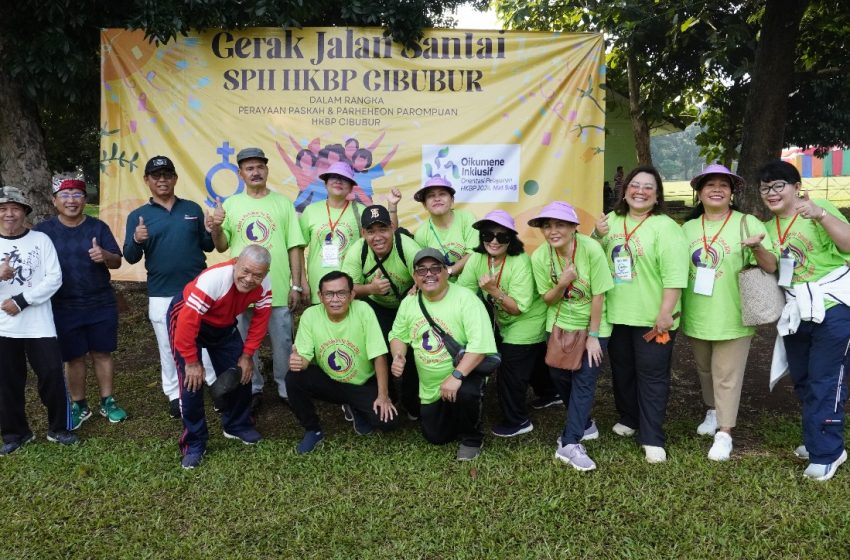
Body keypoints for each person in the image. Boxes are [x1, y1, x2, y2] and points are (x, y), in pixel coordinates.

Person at [759, 159, 850, 481]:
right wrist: (757, 246)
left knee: (826, 380)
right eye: (765, 188)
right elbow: (772, 268)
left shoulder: (819, 208)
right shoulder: (769, 228)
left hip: (833, 307)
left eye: (778, 185)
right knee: (803, 378)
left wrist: (822, 216)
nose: (771, 193)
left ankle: (828, 452)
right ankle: (816, 439)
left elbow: (848, 244)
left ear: (797, 187)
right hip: (797, 309)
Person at [680, 164, 777, 461]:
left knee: (727, 375)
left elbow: (771, 266)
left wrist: (757, 249)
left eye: (724, 184)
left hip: (733, 314)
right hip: (696, 313)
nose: (717, 189)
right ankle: (712, 410)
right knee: (705, 370)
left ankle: (725, 432)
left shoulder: (747, 223)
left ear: (732, 192)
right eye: (710, 185)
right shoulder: (687, 228)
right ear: (699, 193)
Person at [593, 165, 688, 463]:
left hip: (653, 318)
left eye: (648, 187)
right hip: (617, 314)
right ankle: (630, 418)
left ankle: (652, 436)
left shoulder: (666, 228)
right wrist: (596, 234)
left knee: (652, 376)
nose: (640, 191)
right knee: (622, 371)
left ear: (657, 195)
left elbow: (675, 276)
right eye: (635, 185)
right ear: (625, 190)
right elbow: (591, 258)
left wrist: (665, 313)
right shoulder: (610, 220)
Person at [209, 147, 306, 412]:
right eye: (249, 168)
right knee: (242, 342)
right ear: (240, 173)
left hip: (277, 288)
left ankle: (287, 389)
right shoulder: (231, 205)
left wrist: (296, 284)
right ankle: (253, 388)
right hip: (240, 291)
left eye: (259, 167)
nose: (255, 172)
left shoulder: (283, 203)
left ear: (266, 170)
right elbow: (220, 246)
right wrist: (216, 227)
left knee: (283, 341)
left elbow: (295, 247)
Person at [124, 156, 216, 419]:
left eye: (167, 174)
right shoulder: (138, 216)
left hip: (197, 290)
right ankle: (175, 393)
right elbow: (129, 257)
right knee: (168, 345)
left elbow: (207, 246)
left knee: (204, 338)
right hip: (161, 292)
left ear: (175, 178)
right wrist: (136, 239)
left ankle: (210, 382)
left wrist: (211, 230)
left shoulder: (193, 209)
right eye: (156, 176)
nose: (162, 180)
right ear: (147, 181)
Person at [167, 244, 273, 469]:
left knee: (242, 372)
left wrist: (247, 355)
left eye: (257, 275)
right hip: (187, 317)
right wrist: (192, 362)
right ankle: (195, 443)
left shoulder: (264, 284)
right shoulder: (214, 279)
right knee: (191, 383)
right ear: (236, 263)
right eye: (245, 270)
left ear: (265, 274)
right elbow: (188, 321)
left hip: (222, 324)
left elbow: (260, 320)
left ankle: (237, 425)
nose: (249, 278)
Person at [34, 174, 126, 429]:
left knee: (102, 352)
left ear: (85, 199)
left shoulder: (98, 227)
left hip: (100, 301)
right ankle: (79, 404)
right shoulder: (43, 232)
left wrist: (104, 254)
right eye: (65, 195)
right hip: (63, 305)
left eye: (77, 195)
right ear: (54, 201)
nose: (71, 200)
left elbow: (117, 261)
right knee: (73, 357)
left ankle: (108, 401)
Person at [389, 248, 497, 461]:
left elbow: (480, 346)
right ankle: (456, 414)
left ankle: (472, 438)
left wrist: (456, 377)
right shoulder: (409, 302)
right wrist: (399, 356)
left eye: (435, 268)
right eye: (422, 270)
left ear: (447, 271)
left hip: (462, 375)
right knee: (436, 437)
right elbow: (398, 335)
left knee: (466, 393)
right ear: (414, 277)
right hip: (430, 387)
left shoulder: (466, 300)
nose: (429, 274)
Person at [528, 202, 614, 471]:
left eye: (560, 225)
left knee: (585, 381)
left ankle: (569, 442)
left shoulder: (591, 249)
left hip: (593, 326)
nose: (553, 231)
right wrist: (563, 282)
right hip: (558, 326)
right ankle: (585, 423)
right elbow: (547, 298)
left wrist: (593, 335)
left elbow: (599, 294)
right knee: (559, 377)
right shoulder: (540, 257)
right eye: (547, 226)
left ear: (574, 228)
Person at [456, 210, 548, 438]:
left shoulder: (521, 262)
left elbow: (517, 308)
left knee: (511, 369)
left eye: (502, 237)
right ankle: (549, 392)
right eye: (488, 235)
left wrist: (493, 291)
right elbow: (464, 292)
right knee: (532, 361)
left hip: (527, 319)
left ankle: (518, 420)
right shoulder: (477, 258)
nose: (494, 241)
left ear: (512, 239)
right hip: (503, 320)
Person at [0, 186, 77, 454]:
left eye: (15, 209)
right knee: (7, 381)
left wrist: (21, 301)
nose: (9, 214)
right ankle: (15, 433)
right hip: (3, 327)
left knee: (52, 375)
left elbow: (54, 278)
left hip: (39, 324)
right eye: (3, 209)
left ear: (24, 212)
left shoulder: (40, 240)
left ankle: (59, 428)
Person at [287, 271, 398, 453]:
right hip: (331, 381)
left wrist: (383, 396)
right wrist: (298, 361)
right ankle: (313, 430)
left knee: (388, 423)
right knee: (294, 378)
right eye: (329, 294)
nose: (335, 299)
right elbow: (304, 358)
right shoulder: (310, 315)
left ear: (352, 294)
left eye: (342, 293)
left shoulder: (363, 311)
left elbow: (379, 356)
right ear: (320, 296)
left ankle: (355, 406)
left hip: (362, 382)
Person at [342, 204, 422, 418]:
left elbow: (427, 276)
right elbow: (345, 288)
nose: (377, 236)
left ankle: (412, 402)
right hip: (377, 306)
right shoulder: (357, 251)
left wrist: (418, 286)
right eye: (371, 231)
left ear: (393, 228)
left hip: (408, 304)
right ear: (363, 233)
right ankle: (389, 395)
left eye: (383, 229)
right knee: (378, 349)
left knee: (413, 352)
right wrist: (370, 289)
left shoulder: (407, 246)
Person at [299, 161, 363, 306]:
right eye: (333, 177)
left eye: (344, 178)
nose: (338, 181)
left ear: (351, 187)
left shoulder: (361, 211)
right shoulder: (311, 211)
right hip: (318, 287)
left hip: (352, 288)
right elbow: (298, 249)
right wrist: (303, 283)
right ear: (325, 183)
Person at [411, 176, 478, 279]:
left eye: (442, 194)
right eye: (431, 196)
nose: (437, 199)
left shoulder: (467, 218)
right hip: (440, 289)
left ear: (452, 200)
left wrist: (450, 271)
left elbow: (474, 253)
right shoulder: (421, 233)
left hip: (471, 285)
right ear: (424, 204)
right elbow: (422, 267)